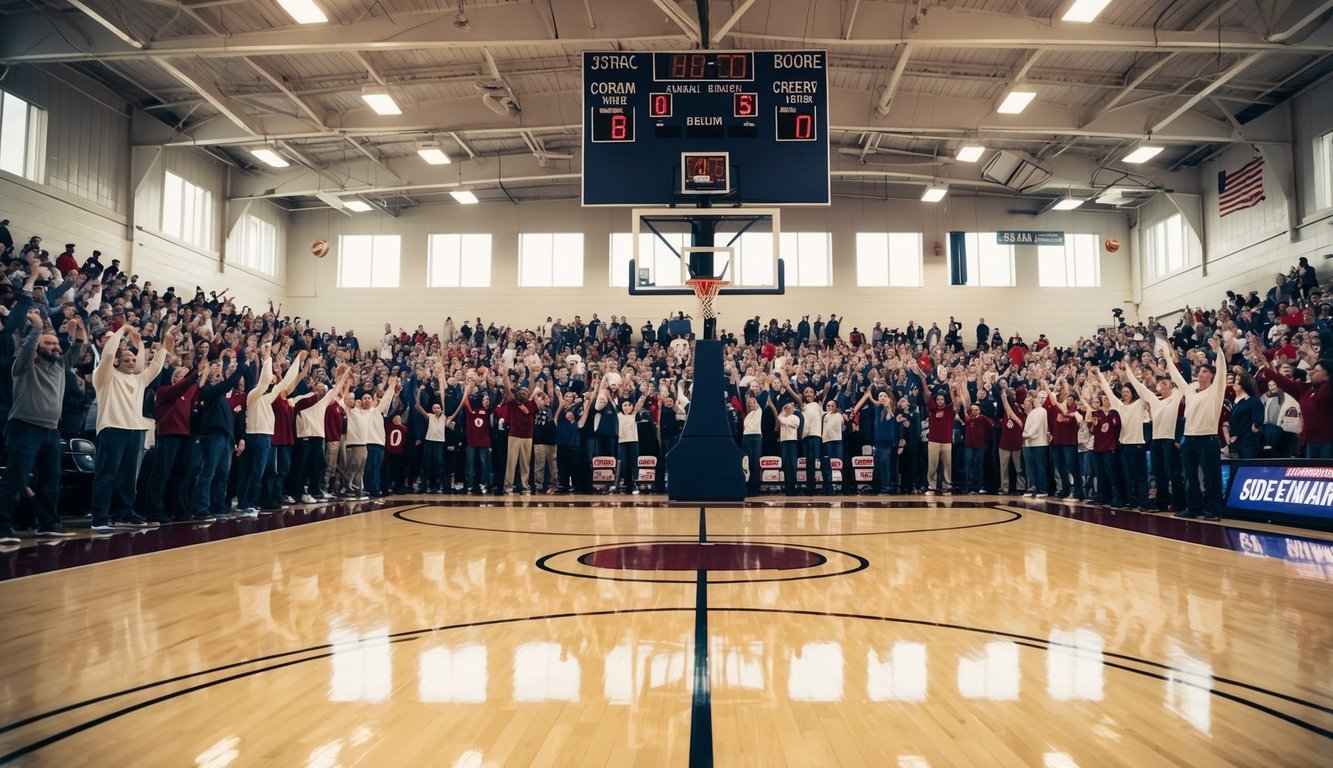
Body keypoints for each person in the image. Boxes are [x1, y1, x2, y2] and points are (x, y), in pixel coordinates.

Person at [0, 311, 87, 543]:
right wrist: (37, 328)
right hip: (24, 428)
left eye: (57, 343)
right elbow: (27, 349)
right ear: (37, 348)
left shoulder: (59, 366)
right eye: (48, 343)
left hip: (51, 431)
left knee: (50, 480)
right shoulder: (24, 365)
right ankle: (2, 528)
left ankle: (48, 524)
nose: (55, 346)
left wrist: (79, 332)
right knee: (15, 478)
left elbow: (78, 349)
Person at [90, 322, 177, 533]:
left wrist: (159, 345)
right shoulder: (104, 377)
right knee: (107, 475)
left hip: (135, 432)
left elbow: (155, 367)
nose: (131, 362)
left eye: (133, 359)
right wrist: (123, 330)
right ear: (117, 361)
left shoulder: (138, 380)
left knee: (129, 477)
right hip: (112, 429)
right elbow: (109, 354)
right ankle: (100, 517)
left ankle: (125, 513)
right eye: (127, 359)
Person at [239, 349, 308, 515]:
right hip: (255, 436)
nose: (271, 381)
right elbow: (263, 383)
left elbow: (285, 383)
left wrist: (297, 360)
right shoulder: (253, 395)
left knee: (259, 472)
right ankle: (246, 503)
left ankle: (250, 502)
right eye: (269, 378)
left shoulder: (268, 398)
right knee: (253, 472)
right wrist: (267, 356)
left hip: (266, 437)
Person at [1165, 338, 1227, 520]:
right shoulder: (1191, 389)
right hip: (1188, 440)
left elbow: (1222, 370)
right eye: (1199, 371)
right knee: (1191, 478)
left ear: (1212, 376)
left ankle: (1214, 510)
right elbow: (1176, 376)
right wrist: (1168, 358)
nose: (1200, 374)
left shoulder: (1216, 390)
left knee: (1211, 478)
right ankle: (1193, 508)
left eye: (1205, 371)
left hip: (1207, 439)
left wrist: (1218, 350)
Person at [1252, 338, 1332, 458]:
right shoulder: (1307, 389)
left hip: (1328, 443)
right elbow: (1287, 384)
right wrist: (1265, 368)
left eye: (1315, 371)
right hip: (1309, 443)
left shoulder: (1328, 390)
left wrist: (1313, 358)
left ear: (1327, 376)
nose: (1310, 373)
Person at [1124, 361, 1186, 513]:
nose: (1162, 385)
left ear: (1172, 386)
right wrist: (1128, 368)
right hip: (1156, 441)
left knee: (1174, 473)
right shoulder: (1154, 400)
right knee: (1158, 474)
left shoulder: (1176, 397)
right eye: (1161, 384)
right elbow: (1138, 387)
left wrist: (1167, 357)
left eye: (1165, 383)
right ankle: (1161, 503)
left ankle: (1180, 505)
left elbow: (1180, 379)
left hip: (1170, 440)